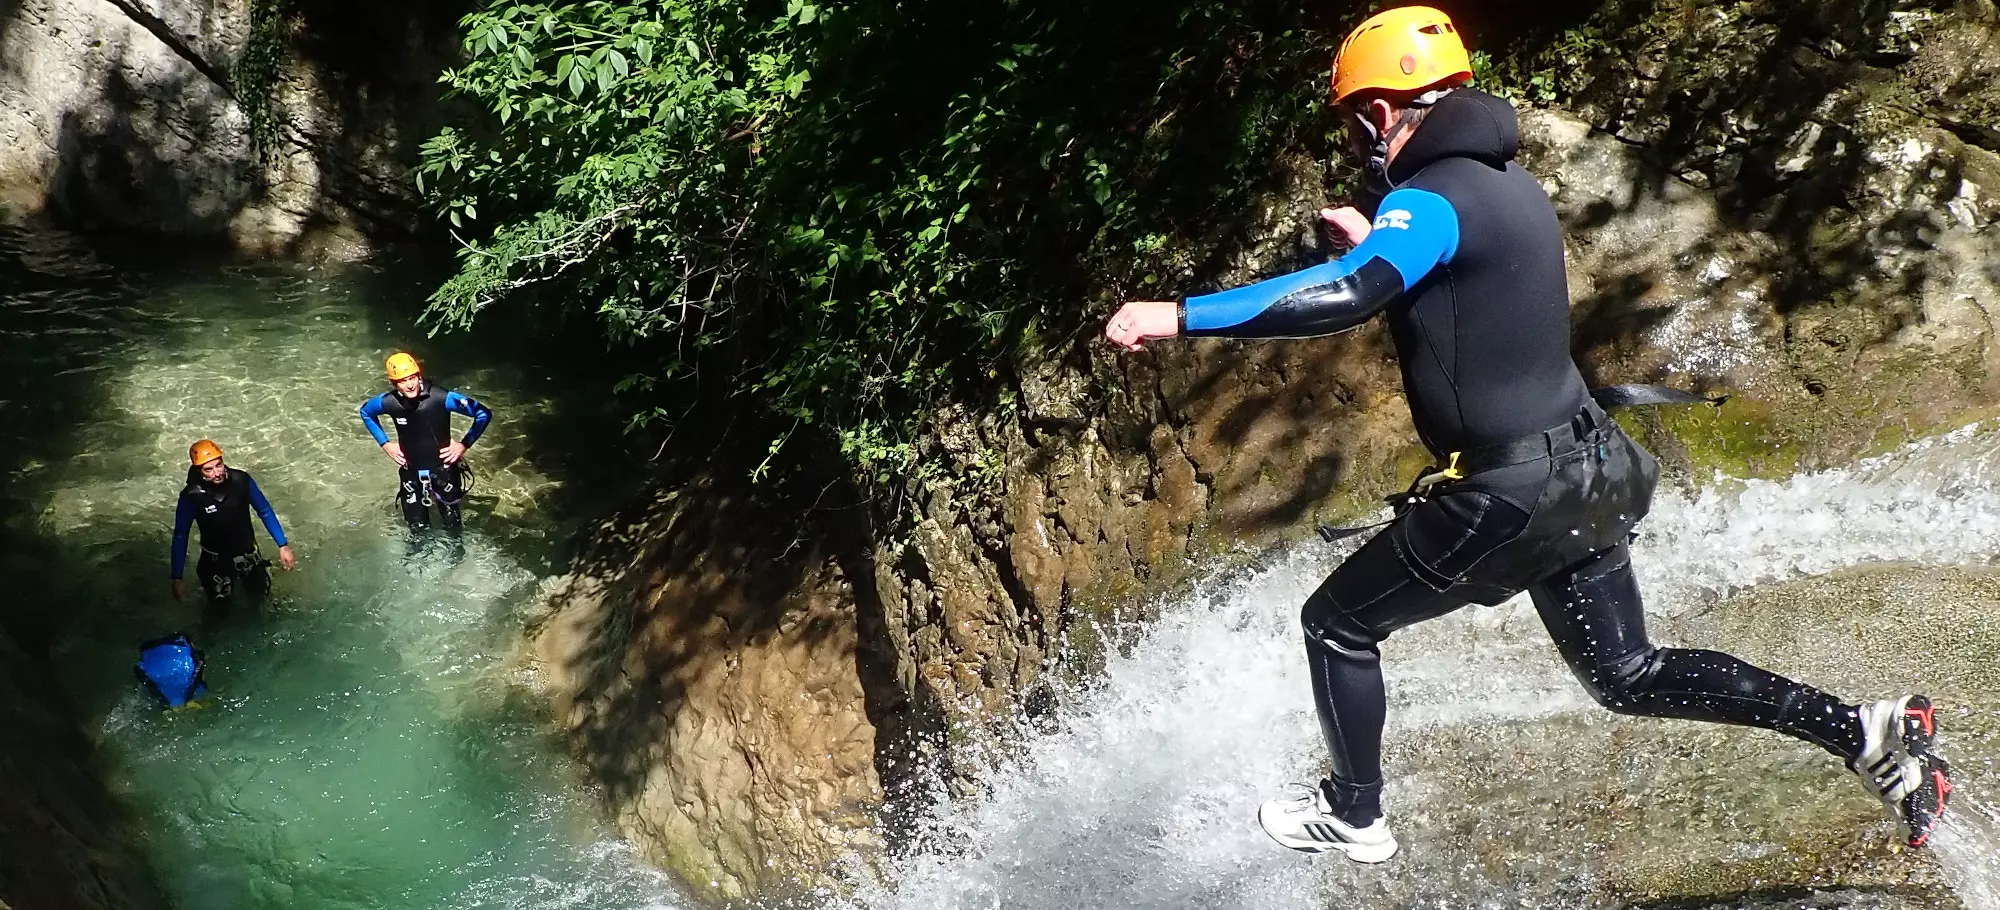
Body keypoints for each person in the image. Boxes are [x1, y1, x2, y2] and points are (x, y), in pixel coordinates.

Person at [1103, 5, 1950, 864]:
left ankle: (1354, 811)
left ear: (1378, 112)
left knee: (1337, 627)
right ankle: (1861, 730)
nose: (1361, 140)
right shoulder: (1505, 183)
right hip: (1589, 468)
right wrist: (1373, 245)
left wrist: (1177, 314)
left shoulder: (1431, 199)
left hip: (1512, 495)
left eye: (1359, 121)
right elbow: (1464, 299)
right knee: (1628, 675)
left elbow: (1344, 296)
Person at [357, 352, 492, 533]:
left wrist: (463, 445)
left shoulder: (440, 397)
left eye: (413, 377)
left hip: (443, 471)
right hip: (411, 472)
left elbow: (483, 413)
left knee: (453, 527)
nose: (410, 384)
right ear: (394, 383)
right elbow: (366, 412)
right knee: (417, 529)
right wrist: (386, 444)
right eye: (403, 381)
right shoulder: (389, 403)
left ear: (419, 376)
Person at [171, 439, 296, 607]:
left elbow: (264, 510)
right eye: (209, 470)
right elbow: (181, 535)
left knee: (262, 604)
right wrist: (177, 577)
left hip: (248, 557)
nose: (217, 473)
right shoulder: (191, 497)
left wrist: (283, 545)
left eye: (219, 465)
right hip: (215, 564)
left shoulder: (241, 481)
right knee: (219, 613)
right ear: (199, 471)